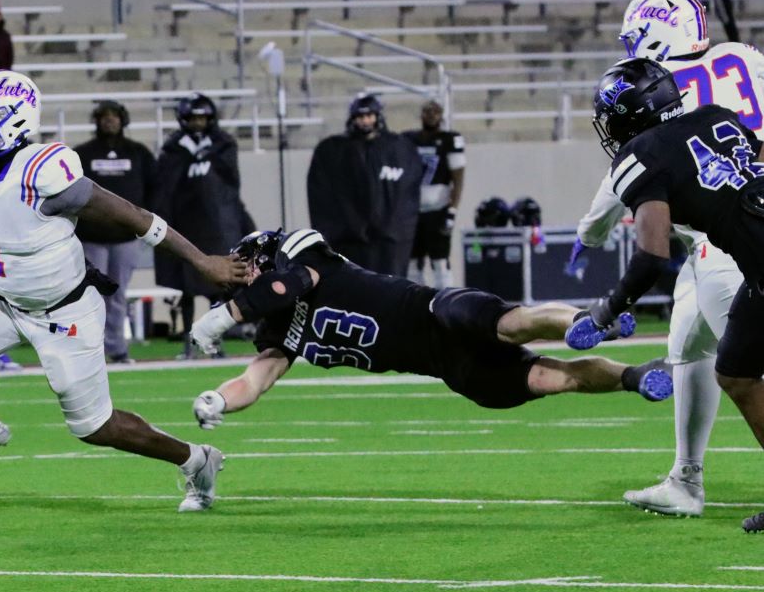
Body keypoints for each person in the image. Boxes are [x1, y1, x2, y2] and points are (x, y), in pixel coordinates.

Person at [0, 69, 246, 511]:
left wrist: (201, 260)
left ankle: (196, 459)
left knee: (94, 427)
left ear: (16, 121)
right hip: (3, 301)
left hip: (63, 312)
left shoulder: (45, 170)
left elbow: (135, 216)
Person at [187, 228, 672, 435]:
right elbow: (256, 378)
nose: (243, 275)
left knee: (514, 324)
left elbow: (291, 284)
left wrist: (226, 313)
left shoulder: (299, 257)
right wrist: (219, 399)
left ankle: (597, 319)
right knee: (551, 378)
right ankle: (636, 376)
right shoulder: (277, 328)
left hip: (435, 310)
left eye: (247, 265)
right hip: (445, 365)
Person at [573, 0, 757, 518]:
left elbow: (632, 174)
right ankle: (685, 478)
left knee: (745, 371)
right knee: (688, 347)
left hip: (727, 244)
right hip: (728, 231)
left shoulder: (656, 93)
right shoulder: (742, 59)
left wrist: (591, 239)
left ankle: (687, 479)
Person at [154, 93, 252, 356]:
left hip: (217, 226)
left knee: (217, 290)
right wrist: (190, 156)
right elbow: (166, 186)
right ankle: (189, 343)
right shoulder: (174, 147)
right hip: (186, 225)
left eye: (202, 118)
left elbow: (231, 182)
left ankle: (214, 341)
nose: (198, 123)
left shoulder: (223, 144)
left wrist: (206, 156)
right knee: (187, 289)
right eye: (193, 118)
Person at [74, 100, 156, 363]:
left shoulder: (138, 153)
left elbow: (154, 190)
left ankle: (117, 348)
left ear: (123, 120)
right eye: (104, 116)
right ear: (96, 120)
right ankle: (90, 349)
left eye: (114, 116)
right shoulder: (82, 154)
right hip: (90, 237)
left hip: (126, 238)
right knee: (89, 295)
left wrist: (144, 224)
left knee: (118, 295)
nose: (109, 121)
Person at [307, 93, 423, 277]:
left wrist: (392, 229)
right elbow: (321, 197)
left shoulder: (399, 148)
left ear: (378, 116)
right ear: (353, 118)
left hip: (389, 243)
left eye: (369, 116)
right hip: (349, 240)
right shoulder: (333, 151)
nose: (365, 121)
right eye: (360, 117)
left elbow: (408, 196)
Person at [403, 99, 465, 288]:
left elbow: (458, 178)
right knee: (412, 263)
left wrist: (452, 211)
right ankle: (417, 306)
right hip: (412, 210)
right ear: (421, 115)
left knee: (440, 262)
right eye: (427, 112)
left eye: (435, 112)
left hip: (438, 208)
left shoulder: (449, 140)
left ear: (441, 115)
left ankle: (445, 306)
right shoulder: (408, 139)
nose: (431, 116)